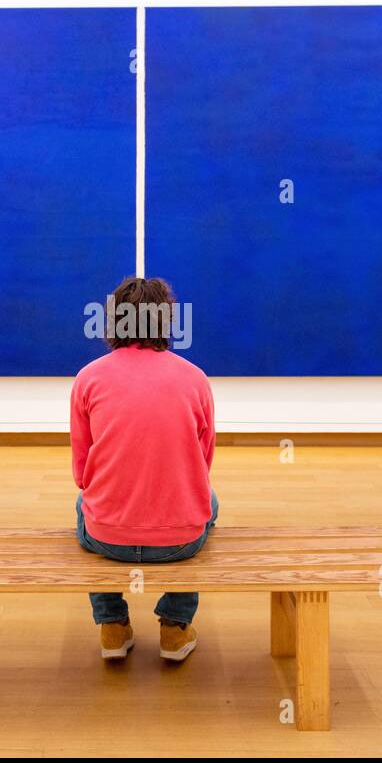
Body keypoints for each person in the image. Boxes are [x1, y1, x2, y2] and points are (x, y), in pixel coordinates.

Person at [70, 276, 218, 662]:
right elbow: (202, 466)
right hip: (178, 543)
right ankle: (175, 626)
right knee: (210, 502)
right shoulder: (195, 379)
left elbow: (83, 474)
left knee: (83, 503)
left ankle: (112, 625)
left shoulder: (88, 378)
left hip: (107, 538)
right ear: (165, 321)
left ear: (112, 322)